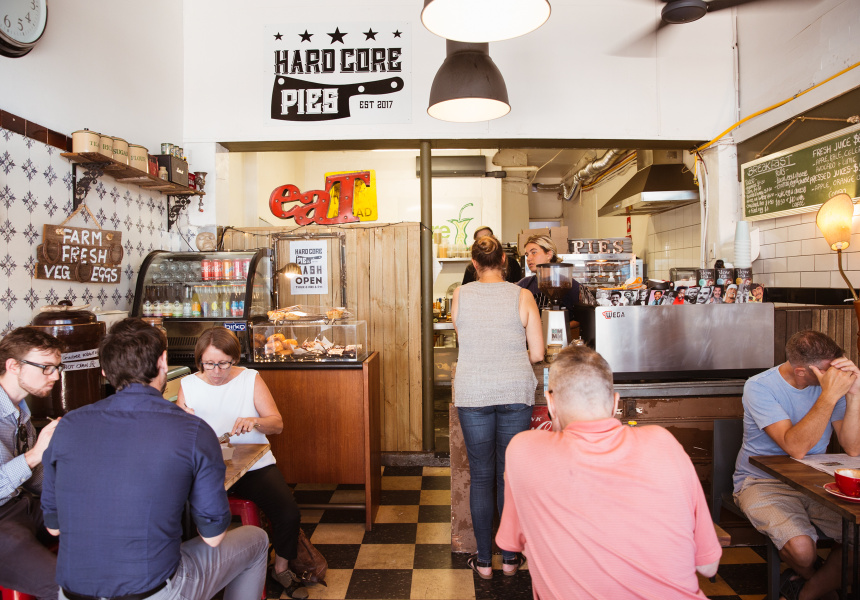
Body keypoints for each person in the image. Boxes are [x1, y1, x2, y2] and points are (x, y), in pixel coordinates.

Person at [41, 319, 269, 600]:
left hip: (71, 593)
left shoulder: (67, 426)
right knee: (256, 540)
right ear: (163, 361)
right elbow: (213, 535)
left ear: (104, 370)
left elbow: (54, 527)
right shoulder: (192, 429)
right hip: (153, 590)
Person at [496, 345, 721, 599]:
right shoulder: (664, 442)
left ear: (550, 403)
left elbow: (513, 543)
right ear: (615, 402)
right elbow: (708, 566)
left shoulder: (524, 451)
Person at [177, 327, 308, 599]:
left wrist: (255, 421)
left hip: (252, 464)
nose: (215, 370)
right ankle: (201, 574)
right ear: (199, 360)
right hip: (207, 468)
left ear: (234, 359)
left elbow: (277, 424)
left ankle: (280, 567)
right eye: (209, 364)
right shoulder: (188, 385)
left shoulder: (250, 379)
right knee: (186, 511)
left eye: (223, 363)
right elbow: (178, 432)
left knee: (287, 512)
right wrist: (181, 420)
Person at [733, 330, 860, 600]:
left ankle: (807, 592)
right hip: (760, 481)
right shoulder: (760, 386)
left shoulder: (829, 386)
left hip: (814, 481)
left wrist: (854, 396)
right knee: (803, 550)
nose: (837, 377)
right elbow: (796, 448)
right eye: (830, 371)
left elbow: (853, 447)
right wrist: (829, 396)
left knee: (857, 537)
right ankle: (815, 581)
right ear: (802, 371)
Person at [451, 235, 544, 579]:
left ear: (474, 264)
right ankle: (509, 559)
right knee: (508, 476)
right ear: (504, 260)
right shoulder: (523, 295)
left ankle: (484, 561)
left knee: (481, 477)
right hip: (514, 391)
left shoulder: (460, 294)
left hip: (473, 391)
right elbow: (537, 353)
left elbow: (465, 339)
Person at [0, 328, 64, 600]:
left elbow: (34, 481)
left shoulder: (21, 412)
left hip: (23, 506)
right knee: (62, 586)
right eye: (46, 368)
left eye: (57, 368)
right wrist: (37, 453)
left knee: (106, 519)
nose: (56, 376)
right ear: (13, 366)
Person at [517, 234, 591, 314]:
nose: (528, 258)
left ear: (549, 255)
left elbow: (583, 318)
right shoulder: (524, 284)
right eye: (527, 255)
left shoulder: (568, 284)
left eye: (534, 252)